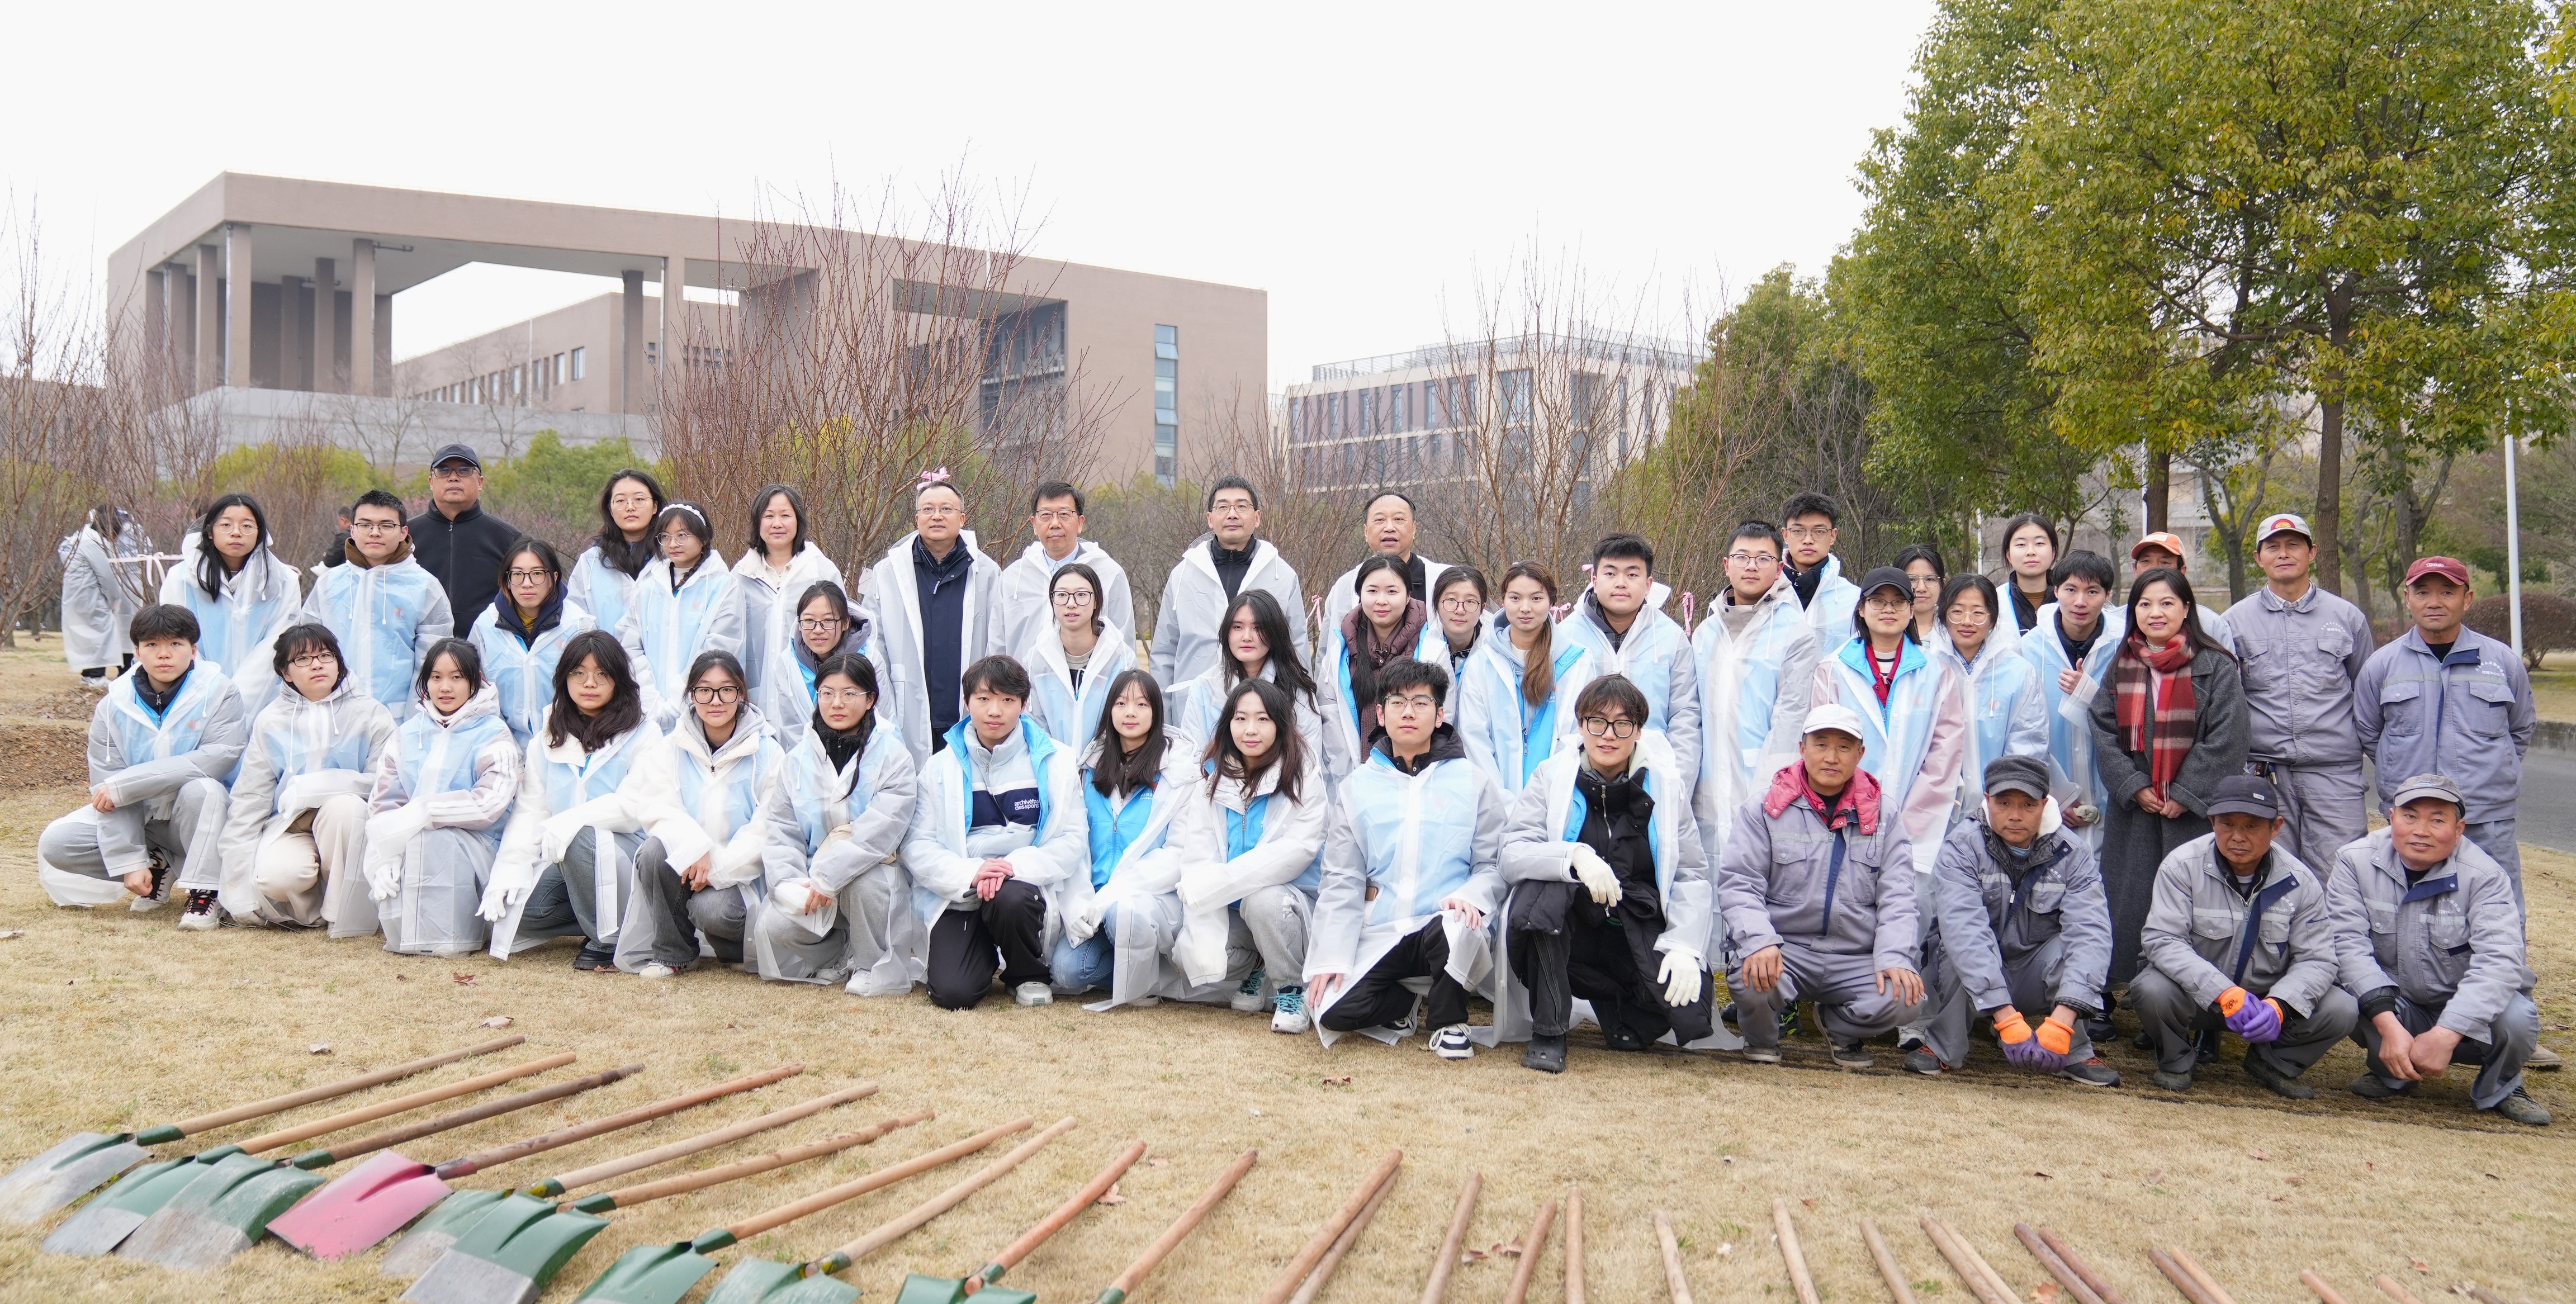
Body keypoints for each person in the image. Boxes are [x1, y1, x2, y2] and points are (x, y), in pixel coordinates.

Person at [1496, 675, 1715, 1073]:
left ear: (1639, 730)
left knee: (1684, 1008)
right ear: (1581, 725)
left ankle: (1619, 1009)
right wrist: (1574, 856)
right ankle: (1549, 1030)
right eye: (1597, 722)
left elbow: (1692, 874)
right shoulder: (1552, 776)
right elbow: (1512, 853)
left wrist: (1685, 945)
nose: (1608, 734)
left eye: (1622, 724)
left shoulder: (1665, 787)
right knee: (1543, 895)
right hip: (1571, 923)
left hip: (1633, 922)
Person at [1305, 658, 1507, 1056]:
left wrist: (1470, 897)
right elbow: (1343, 878)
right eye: (1397, 702)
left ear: (1440, 715)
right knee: (1330, 1010)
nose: (1409, 712)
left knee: (1455, 925)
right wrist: (1330, 955)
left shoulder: (1472, 781)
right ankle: (1403, 1003)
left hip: (1447, 926)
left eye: (1421, 703)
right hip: (1385, 931)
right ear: (1381, 714)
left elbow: (1492, 865)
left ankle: (1449, 1023)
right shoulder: (1357, 787)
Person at [2328, 774, 2547, 1125]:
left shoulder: (2486, 875)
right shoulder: (2353, 861)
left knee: (2518, 1018)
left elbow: (2500, 963)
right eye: (2410, 816)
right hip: (2399, 1003)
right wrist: (2389, 1026)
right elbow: (2347, 946)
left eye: (2438, 820)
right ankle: (2392, 1071)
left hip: (2468, 1016)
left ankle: (2502, 1087)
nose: (2421, 831)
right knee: (2343, 996)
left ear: (2459, 830)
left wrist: (2448, 1033)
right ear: (2391, 817)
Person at [1716, 704, 1925, 1068]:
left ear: (1860, 753)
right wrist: (1760, 940)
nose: (1831, 756)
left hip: (1855, 955)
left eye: (1844, 747)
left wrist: (1895, 956)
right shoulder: (1764, 808)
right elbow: (1740, 883)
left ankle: (1839, 1026)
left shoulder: (1885, 814)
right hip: (1785, 949)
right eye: (1821, 744)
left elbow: (1899, 897)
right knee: (1751, 974)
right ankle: (1762, 1037)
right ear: (1802, 748)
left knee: (1906, 998)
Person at [2126, 774, 2355, 1097]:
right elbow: (2163, 941)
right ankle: (2176, 1060)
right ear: (2212, 823)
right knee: (2151, 988)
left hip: (2265, 1000)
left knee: (2342, 1007)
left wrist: (2281, 1005)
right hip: (2198, 997)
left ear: (2276, 828)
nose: (2237, 836)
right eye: (2227, 824)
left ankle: (2273, 1062)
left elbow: (2318, 960)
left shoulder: (2301, 881)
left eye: (2251, 826)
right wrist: (2224, 993)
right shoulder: (2181, 866)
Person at [2089, 567, 2248, 1000]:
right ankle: (2121, 990)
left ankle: (2190, 1001)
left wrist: (2185, 793)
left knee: (2191, 904)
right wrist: (2133, 784)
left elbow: (2228, 736)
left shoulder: (2216, 665)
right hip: (2136, 810)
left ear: (2186, 609)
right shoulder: (2123, 665)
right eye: (2144, 604)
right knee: (2128, 900)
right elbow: (2103, 728)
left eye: (2166, 603)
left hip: (2191, 814)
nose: (2155, 612)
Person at [1912, 755, 2116, 1085]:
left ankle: (2074, 1049)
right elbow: (1965, 931)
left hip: (2035, 967)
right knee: (1953, 948)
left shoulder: (2073, 853)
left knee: (2072, 948)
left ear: (2045, 805)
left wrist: (2063, 1019)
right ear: (1987, 800)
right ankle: (1944, 1046)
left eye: (2028, 805)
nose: (2016, 816)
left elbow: (2091, 933)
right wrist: (2006, 1018)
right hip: (1974, 967)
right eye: (2004, 803)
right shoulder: (1962, 846)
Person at [35, 604, 247, 923]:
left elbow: (220, 755)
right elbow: (107, 783)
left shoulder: (219, 691)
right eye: (152, 645)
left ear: (193, 650)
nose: (164, 654)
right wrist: (131, 860)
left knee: (203, 790)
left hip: (200, 818)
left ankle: (206, 891)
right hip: (143, 818)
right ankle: (156, 864)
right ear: (137, 652)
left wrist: (127, 786)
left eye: (175, 644)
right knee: (59, 844)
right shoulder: (113, 704)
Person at [901, 655, 1089, 1009]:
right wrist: (973, 873)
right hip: (963, 887)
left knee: (1011, 899)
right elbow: (918, 845)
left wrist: (1012, 868)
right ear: (967, 702)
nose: (995, 711)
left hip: (1022, 885)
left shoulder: (1056, 762)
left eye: (1007, 700)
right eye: (984, 699)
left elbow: (1073, 838)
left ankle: (1026, 974)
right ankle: (981, 950)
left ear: (1024, 704)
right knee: (953, 994)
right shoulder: (939, 768)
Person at [2355, 556, 2536, 912]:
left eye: (2447, 592)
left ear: (2467, 599)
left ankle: (2502, 954)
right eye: (2423, 592)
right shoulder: (2382, 665)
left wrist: (2492, 771)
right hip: (2411, 815)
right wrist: (2400, 769)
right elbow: (2369, 731)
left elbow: (2520, 728)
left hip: (2485, 816)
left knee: (2497, 906)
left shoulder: (2502, 662)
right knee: (2412, 910)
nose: (2434, 602)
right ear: (2408, 598)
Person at [1153, 678, 1330, 1031]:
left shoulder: (1304, 775)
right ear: (1228, 723)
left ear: (1280, 724)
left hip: (1290, 908)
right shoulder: (1211, 779)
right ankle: (1259, 965)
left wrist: (1217, 883)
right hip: (1233, 909)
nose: (1251, 730)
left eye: (1263, 719)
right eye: (1241, 718)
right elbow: (1199, 852)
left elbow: (1299, 850)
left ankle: (1290, 989)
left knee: (1263, 901)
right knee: (1193, 953)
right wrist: (1204, 891)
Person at [479, 630, 659, 966]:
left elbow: (633, 807)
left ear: (619, 680)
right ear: (564, 678)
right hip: (563, 856)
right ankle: (606, 918)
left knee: (582, 838)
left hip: (626, 856)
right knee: (517, 913)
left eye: (602, 674)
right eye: (579, 673)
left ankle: (607, 941)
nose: (589, 683)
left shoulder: (644, 733)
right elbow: (530, 810)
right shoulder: (548, 735)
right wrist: (509, 870)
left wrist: (569, 822)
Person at [750, 652, 922, 992]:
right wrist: (789, 883)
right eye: (827, 693)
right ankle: (836, 956)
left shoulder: (893, 757)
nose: (837, 703)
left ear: (871, 699)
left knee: (864, 885)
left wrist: (829, 876)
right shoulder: (797, 760)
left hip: (872, 873)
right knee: (775, 926)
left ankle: (870, 965)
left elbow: (879, 834)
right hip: (814, 880)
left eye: (849, 694)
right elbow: (782, 831)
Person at [216, 623, 396, 932]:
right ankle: (312, 914)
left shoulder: (371, 713)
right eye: (303, 659)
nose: (317, 665)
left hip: (350, 822)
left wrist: (316, 787)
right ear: (286, 673)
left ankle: (342, 913)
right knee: (277, 879)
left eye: (326, 656)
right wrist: (236, 887)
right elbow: (250, 799)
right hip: (290, 825)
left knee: (345, 808)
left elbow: (385, 783)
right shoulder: (271, 721)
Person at [618, 651, 785, 978]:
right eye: (705, 690)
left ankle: (732, 948)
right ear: (691, 695)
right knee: (652, 851)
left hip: (740, 875)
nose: (716, 700)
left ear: (741, 694)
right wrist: (695, 849)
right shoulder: (670, 747)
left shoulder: (768, 752)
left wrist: (716, 869)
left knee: (713, 911)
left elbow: (768, 827)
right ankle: (673, 953)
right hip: (689, 862)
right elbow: (659, 805)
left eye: (726, 690)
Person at [2229, 512, 2375, 870]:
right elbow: (2228, 702)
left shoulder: (2347, 618)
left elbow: (2368, 697)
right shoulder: (2233, 622)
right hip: (2264, 773)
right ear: (2258, 558)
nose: (2284, 554)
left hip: (2335, 774)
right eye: (2273, 547)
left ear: (2312, 553)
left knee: (2341, 872)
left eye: (2293, 545)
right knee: (2272, 874)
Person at [360, 638, 520, 956]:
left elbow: (489, 804)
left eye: (457, 677)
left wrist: (425, 813)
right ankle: (411, 935)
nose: (445, 687)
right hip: (410, 841)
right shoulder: (407, 734)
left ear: (475, 681)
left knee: (437, 838)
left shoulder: (494, 734)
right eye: (436, 677)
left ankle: (453, 937)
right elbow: (385, 802)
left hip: (479, 847)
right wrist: (386, 855)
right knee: (414, 844)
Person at [1808, 567, 1968, 880]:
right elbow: (1823, 748)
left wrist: (1907, 824)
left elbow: (1944, 755)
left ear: (1911, 610)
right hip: (1845, 814)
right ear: (1861, 609)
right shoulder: (1833, 669)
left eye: (1898, 602)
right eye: (1878, 601)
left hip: (1918, 823)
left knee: (1905, 900)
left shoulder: (1936, 672)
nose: (1888, 609)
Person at [1053, 670, 1195, 1003]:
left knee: (1123, 913)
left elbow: (1177, 854)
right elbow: (1074, 844)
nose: (1130, 712)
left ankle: (1150, 970)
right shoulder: (1089, 769)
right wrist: (1077, 903)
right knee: (1066, 971)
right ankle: (1145, 975)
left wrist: (1112, 895)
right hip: (1094, 900)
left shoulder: (1178, 773)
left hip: (1149, 899)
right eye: (1121, 703)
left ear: (1156, 712)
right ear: (1109, 711)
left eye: (1142, 704)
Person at [1692, 521, 1819, 861]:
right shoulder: (1705, 633)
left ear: (1779, 569)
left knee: (1760, 876)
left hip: (1764, 787)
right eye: (1742, 557)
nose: (1751, 566)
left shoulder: (1795, 634)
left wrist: (1768, 793)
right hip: (1707, 789)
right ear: (1726, 565)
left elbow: (1791, 721)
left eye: (1763, 559)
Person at [860, 475, 1005, 764]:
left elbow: (997, 641)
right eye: (928, 509)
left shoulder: (987, 572)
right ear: (917, 519)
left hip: (966, 704)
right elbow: (873, 641)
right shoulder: (888, 572)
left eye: (946, 509)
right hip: (906, 705)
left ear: (962, 519)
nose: (936, 516)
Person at [1553, 533, 1701, 785]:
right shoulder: (1566, 636)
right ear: (1594, 580)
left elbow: (1685, 715)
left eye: (1632, 574)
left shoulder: (1670, 637)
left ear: (1648, 584)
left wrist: (1676, 784)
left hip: (1653, 776)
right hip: (1579, 777)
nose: (1621, 583)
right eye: (1611, 574)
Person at [304, 489, 454, 721]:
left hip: (398, 719)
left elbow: (434, 662)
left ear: (403, 532)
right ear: (352, 530)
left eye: (386, 525)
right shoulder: (329, 584)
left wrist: (415, 724)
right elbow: (307, 652)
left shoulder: (424, 586)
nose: (375, 533)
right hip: (333, 718)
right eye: (365, 525)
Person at [1148, 475, 1306, 687]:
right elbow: (1164, 652)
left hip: (1265, 702)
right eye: (1223, 507)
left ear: (1257, 517)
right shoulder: (1183, 575)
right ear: (1210, 518)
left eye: (1241, 506)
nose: (1232, 514)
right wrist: (1161, 707)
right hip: (1193, 702)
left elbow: (1298, 648)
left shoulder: (1283, 576)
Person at [160, 494, 305, 718]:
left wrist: (240, 694)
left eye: (247, 526)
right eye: (226, 525)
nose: (236, 532)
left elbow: (278, 640)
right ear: (210, 531)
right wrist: (212, 690)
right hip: (196, 693)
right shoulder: (181, 579)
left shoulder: (283, 581)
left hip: (264, 695)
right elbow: (176, 638)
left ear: (260, 533)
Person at [1457, 562, 1595, 795]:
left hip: (1559, 798)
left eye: (1536, 598)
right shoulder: (1482, 664)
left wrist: (1550, 800)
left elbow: (1579, 737)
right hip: (1496, 805)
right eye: (1515, 598)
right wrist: (1502, 805)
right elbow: (1474, 740)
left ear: (1551, 602)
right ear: (1503, 601)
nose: (1525, 608)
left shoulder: (1577, 662)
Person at [2021, 551, 2124, 850]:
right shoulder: (2028, 649)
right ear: (2055, 591)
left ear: (2108, 596)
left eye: (2092, 592)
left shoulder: (2125, 646)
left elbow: (2137, 724)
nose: (2080, 602)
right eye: (2071, 590)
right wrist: (2055, 795)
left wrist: (2091, 695)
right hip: (2049, 801)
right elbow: (2023, 733)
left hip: (2114, 799)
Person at [1317, 554, 1441, 788]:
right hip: (1353, 781)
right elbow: (1330, 721)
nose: (1381, 601)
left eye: (1392, 592)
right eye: (1372, 591)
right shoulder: (1339, 655)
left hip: (1418, 781)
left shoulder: (1432, 651)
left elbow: (1443, 718)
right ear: (1360, 595)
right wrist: (1350, 783)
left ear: (1408, 596)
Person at [619, 502, 746, 729]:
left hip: (704, 705)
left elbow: (720, 647)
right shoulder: (647, 586)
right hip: (648, 708)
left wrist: (680, 699)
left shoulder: (723, 586)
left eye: (682, 535)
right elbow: (630, 643)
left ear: (703, 538)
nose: (673, 544)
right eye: (665, 537)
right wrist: (649, 697)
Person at [1930, 573, 2047, 817]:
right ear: (1944, 616)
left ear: (1992, 619)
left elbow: (2028, 743)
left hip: (2000, 807)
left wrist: (2003, 798)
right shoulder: (1928, 669)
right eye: (1957, 612)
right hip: (1936, 807)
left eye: (1978, 613)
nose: (1967, 622)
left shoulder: (2019, 672)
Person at [1169, 589, 1325, 766]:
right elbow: (1193, 758)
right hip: (1215, 782)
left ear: (1275, 633)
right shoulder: (1205, 687)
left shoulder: (1297, 691)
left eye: (1258, 628)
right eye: (1238, 627)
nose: (1247, 637)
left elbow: (1309, 761)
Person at [733, 484, 846, 726]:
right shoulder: (741, 576)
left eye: (785, 515)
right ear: (758, 522)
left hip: (809, 692)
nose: (777, 524)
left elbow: (841, 635)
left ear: (798, 521)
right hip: (754, 698)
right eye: (769, 516)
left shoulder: (821, 571)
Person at [468, 538, 595, 746]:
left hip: (568, 743)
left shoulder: (578, 625)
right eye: (517, 574)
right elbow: (476, 692)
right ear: (507, 581)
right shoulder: (486, 626)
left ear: (554, 578)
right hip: (502, 745)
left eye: (537, 574)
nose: (527, 583)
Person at [997, 481, 1135, 660]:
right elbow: (997, 643)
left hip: (1091, 677)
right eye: (1046, 515)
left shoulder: (1109, 574)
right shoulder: (1013, 577)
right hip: (1023, 677)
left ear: (1080, 523)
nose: (1055, 524)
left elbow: (1124, 645)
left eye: (1064, 515)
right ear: (1034, 524)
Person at [1021, 562, 1138, 752]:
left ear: (1097, 601)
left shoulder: (1121, 659)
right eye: (1062, 595)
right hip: (1051, 763)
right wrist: (1057, 763)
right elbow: (1033, 722)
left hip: (1107, 764)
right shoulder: (1037, 659)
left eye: (1082, 595)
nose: (1071, 603)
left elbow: (1126, 721)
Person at [409, 444, 519, 625]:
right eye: (443, 470)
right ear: (431, 482)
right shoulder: (405, 536)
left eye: (464, 470)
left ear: (480, 482)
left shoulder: (507, 538)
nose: (453, 477)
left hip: (486, 640)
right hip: (419, 639)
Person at [1320, 491, 1453, 633]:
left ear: (1414, 529)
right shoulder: (1344, 587)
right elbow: (1330, 644)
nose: (1389, 528)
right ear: (1366, 531)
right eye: (1380, 520)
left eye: (1399, 519)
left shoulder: (1444, 580)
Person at [757, 580, 877, 737]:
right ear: (799, 624)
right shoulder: (787, 665)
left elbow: (883, 723)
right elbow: (793, 729)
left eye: (828, 621)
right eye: (809, 621)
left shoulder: (870, 659)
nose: (818, 630)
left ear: (846, 623)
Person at [565, 469, 667, 649]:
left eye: (639, 499)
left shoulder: (672, 557)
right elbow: (575, 616)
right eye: (620, 501)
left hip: (663, 661)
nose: (630, 507)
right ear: (610, 510)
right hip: (606, 662)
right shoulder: (591, 562)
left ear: (655, 507)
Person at [60, 503, 142, 680]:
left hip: (80, 597)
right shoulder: (92, 543)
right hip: (91, 597)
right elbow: (107, 577)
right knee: (99, 635)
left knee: (90, 636)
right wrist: (115, 600)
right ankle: (95, 676)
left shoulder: (81, 537)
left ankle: (89, 674)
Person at [2129, 532, 2236, 652]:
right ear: (2134, 569)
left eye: (2165, 563)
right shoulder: (2117, 623)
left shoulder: (2212, 625)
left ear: (2182, 571)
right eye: (2146, 561)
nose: (2154, 569)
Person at [1781, 492, 1860, 640]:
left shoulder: (1853, 599)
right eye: (1798, 531)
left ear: (1833, 536)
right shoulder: (1766, 589)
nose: (1808, 540)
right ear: (1785, 535)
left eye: (1819, 532)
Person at [1996, 514, 2059, 634]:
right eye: (2021, 545)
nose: (2031, 552)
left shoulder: (2070, 600)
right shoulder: (1995, 601)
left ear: (2053, 552)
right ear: (2008, 555)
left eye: (2039, 543)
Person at [1424, 567, 1489, 680]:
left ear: (1482, 608)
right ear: (1436, 604)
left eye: (1470, 601)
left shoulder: (1495, 652)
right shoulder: (1422, 649)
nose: (1460, 610)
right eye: (1451, 600)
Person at [1894, 543, 1946, 643]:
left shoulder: (1956, 629)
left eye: (1930, 579)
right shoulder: (1880, 628)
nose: (1921, 588)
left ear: (1942, 584)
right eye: (1912, 579)